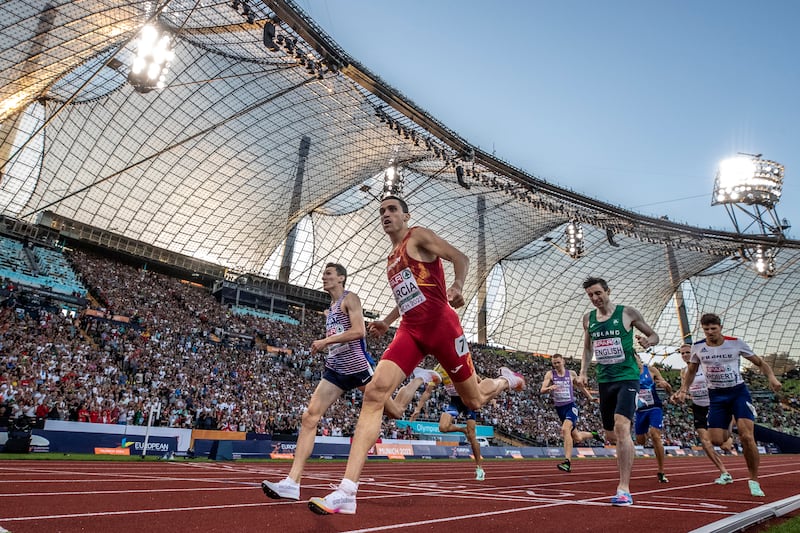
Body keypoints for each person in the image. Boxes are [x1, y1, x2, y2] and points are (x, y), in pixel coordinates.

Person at [308, 195, 525, 515]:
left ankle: (505, 381)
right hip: (410, 331)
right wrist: (387, 321)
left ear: (406, 216)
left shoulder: (418, 236)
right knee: (374, 392)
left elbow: (460, 257)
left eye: (392, 209)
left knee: (474, 400)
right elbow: (406, 296)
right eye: (381, 211)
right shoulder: (390, 259)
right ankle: (347, 491)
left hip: (442, 326)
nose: (385, 214)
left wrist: (459, 286)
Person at [261, 262, 437, 501]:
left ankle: (417, 379)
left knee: (395, 411)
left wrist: (326, 341)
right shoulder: (331, 307)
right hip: (335, 370)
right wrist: (330, 343)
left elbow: (359, 332)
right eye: (323, 274)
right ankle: (292, 482)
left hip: (357, 367)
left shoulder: (349, 299)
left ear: (341, 278)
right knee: (310, 416)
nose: (324, 277)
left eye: (329, 274)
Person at [675, 313, 782, 497]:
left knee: (747, 436)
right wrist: (684, 389)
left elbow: (760, 363)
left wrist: (771, 377)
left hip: (737, 393)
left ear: (720, 327)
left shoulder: (735, 343)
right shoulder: (698, 347)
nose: (710, 332)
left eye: (713, 329)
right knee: (716, 440)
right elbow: (691, 371)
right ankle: (730, 425)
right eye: (706, 329)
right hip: (716, 396)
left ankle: (754, 480)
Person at [577, 276, 659, 507]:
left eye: (598, 293)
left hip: (627, 378)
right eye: (590, 295)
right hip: (605, 380)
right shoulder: (588, 319)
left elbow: (654, 335)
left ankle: (624, 489)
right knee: (611, 435)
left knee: (622, 427)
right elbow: (587, 347)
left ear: (607, 291)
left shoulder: (627, 313)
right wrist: (583, 371)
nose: (594, 298)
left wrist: (648, 342)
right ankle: (628, 441)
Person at [671, 343, 732, 485]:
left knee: (723, 444)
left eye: (687, 352)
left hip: (714, 406)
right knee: (705, 441)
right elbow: (684, 388)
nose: (685, 355)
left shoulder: (706, 365)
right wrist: (677, 395)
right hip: (698, 407)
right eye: (682, 353)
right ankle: (724, 472)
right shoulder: (684, 371)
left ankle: (730, 432)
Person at [413, 364, 487, 480]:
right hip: (455, 402)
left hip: (469, 400)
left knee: (472, 436)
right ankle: (463, 430)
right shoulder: (438, 370)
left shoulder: (458, 361)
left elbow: (478, 379)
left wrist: (488, 398)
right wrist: (418, 408)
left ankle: (479, 468)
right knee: (443, 427)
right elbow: (428, 391)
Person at [539, 353, 599, 472]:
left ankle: (567, 462)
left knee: (565, 429)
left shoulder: (571, 374)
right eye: (554, 363)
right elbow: (542, 390)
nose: (556, 365)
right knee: (577, 437)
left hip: (570, 407)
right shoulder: (550, 374)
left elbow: (580, 387)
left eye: (558, 362)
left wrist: (590, 398)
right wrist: (549, 389)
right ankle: (594, 434)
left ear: (563, 361)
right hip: (560, 409)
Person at [633, 353, 672, 483]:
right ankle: (648, 433)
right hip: (640, 411)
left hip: (654, 407)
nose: (634, 361)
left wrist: (666, 386)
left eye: (635, 358)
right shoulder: (627, 373)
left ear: (639, 357)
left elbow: (667, 387)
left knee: (655, 435)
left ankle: (661, 471)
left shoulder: (650, 370)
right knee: (640, 441)